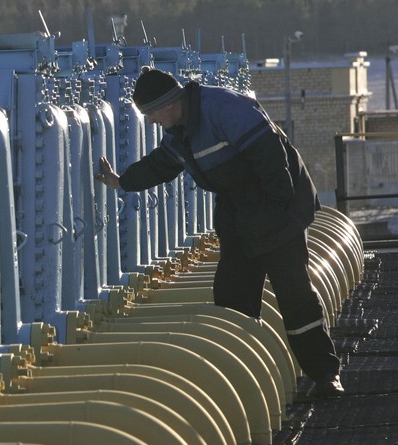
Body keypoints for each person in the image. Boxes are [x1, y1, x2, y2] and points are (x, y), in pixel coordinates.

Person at [94, 67, 343, 398]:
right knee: (232, 296)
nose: (151, 121)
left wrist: (277, 216)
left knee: (295, 294)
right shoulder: (180, 132)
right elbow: (161, 165)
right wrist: (122, 181)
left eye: (151, 113)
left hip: (276, 207)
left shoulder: (225, 108)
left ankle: (325, 374)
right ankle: (242, 381)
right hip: (238, 208)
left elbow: (272, 159)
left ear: (168, 104)